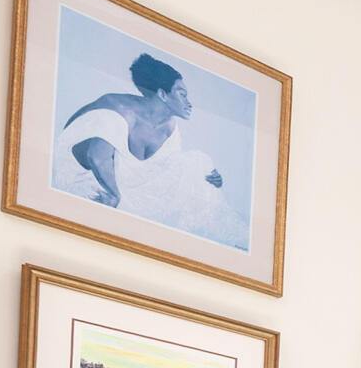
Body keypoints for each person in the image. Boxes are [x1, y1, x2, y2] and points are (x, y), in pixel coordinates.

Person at [55, 53, 246, 248]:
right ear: (162, 94)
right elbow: (96, 156)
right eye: (182, 94)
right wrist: (114, 195)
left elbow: (168, 168)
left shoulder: (169, 126)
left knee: (197, 162)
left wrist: (204, 175)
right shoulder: (118, 107)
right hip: (84, 179)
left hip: (120, 181)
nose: (189, 103)